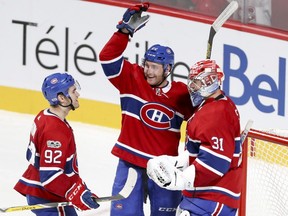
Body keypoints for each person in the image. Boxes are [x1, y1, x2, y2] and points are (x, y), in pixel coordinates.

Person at [99, 2, 195, 216]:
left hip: (165, 167)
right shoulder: (131, 78)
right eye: (147, 65)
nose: (148, 71)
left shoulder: (181, 93)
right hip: (130, 163)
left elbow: (201, 120)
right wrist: (123, 32)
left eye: (154, 67)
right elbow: (107, 58)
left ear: (168, 69)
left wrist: (202, 90)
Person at [147, 59, 242, 216]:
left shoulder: (217, 113)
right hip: (201, 197)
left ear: (210, 81)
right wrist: (173, 162)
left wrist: (181, 180)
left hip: (213, 198)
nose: (192, 87)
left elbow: (215, 163)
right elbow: (199, 151)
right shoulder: (212, 106)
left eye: (196, 83)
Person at [14, 73, 100, 216]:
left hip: (49, 193)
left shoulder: (45, 115)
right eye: (73, 91)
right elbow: (50, 176)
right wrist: (75, 193)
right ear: (61, 98)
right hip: (48, 197)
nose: (77, 94)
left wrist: (80, 189)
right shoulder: (55, 131)